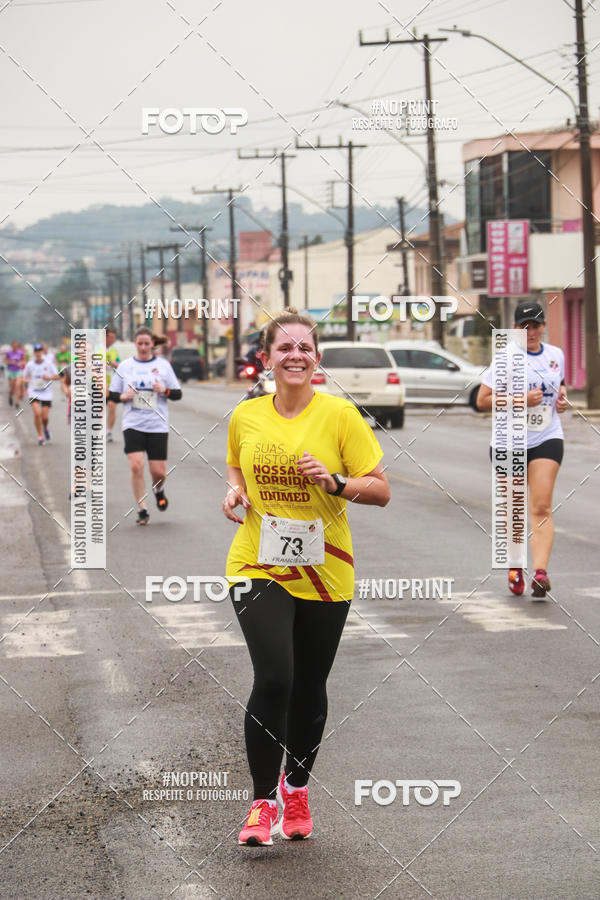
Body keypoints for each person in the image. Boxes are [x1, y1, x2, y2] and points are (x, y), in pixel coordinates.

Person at [223, 308, 390, 846]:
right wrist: (234, 491)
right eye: (283, 347)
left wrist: (337, 482)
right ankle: (261, 804)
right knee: (275, 677)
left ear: (316, 357)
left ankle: (296, 789)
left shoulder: (341, 415)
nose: (295, 355)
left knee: (308, 686)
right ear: (266, 357)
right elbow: (234, 465)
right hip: (257, 562)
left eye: (305, 347)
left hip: (324, 570)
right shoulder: (246, 415)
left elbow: (381, 489)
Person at [477, 300, 568, 599]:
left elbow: (560, 386)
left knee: (541, 506)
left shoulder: (556, 355)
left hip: (547, 437)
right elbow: (483, 401)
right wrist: (519, 401)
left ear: (543, 326)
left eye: (536, 325)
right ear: (515, 328)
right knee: (515, 509)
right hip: (508, 441)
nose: (531, 331)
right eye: (525, 326)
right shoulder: (505, 359)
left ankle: (540, 573)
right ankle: (515, 565)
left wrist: (562, 400)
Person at [108, 327, 182, 525]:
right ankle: (142, 508)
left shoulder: (163, 366)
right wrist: (124, 396)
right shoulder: (125, 367)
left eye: (146, 344)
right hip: (133, 424)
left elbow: (177, 394)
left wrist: (164, 390)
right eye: (139, 344)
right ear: (135, 344)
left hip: (157, 425)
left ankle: (158, 489)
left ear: (152, 345)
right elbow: (111, 394)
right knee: (136, 465)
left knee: (158, 472)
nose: (142, 347)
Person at [22, 343, 61, 445]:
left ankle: (45, 428)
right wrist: (26, 380)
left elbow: (58, 376)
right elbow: (24, 377)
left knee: (44, 417)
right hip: (33, 392)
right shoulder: (30, 364)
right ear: (34, 353)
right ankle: (40, 436)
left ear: (43, 352)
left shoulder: (48, 363)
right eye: (37, 351)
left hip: (46, 393)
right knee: (37, 413)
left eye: (40, 351)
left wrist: (48, 378)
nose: (39, 353)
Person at [105, 327, 120, 442]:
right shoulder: (96, 349)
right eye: (111, 337)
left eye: (114, 337)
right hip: (98, 384)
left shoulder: (114, 350)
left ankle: (109, 431)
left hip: (112, 384)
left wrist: (113, 363)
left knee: (112, 406)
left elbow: (119, 365)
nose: (113, 339)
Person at [5, 340, 25, 408]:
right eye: (14, 346)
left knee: (17, 385)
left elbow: (24, 360)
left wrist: (21, 363)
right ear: (12, 346)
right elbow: (4, 360)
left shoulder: (21, 352)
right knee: (12, 388)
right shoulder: (8, 353)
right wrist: (10, 362)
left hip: (18, 371)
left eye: (16, 346)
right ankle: (10, 395)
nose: (15, 347)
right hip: (11, 371)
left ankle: (17, 402)